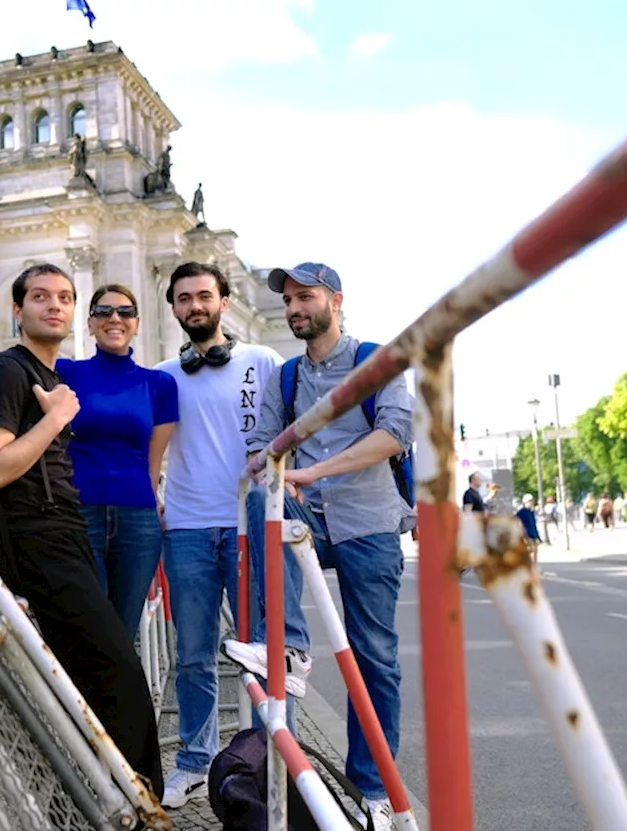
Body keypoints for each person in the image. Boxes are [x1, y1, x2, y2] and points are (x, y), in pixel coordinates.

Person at [226, 262, 414, 829]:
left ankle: (372, 790)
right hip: (307, 514)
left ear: (336, 300)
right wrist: (269, 463)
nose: (293, 308)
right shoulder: (285, 378)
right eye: (287, 300)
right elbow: (261, 445)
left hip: (368, 520)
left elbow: (394, 434)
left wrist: (312, 471)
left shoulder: (376, 361)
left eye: (304, 297)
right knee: (264, 498)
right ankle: (291, 648)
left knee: (374, 656)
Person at [0, 263, 164, 798]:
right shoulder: (8, 373)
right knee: (118, 669)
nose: (53, 305)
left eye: (64, 297)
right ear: (17, 309)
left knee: (89, 671)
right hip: (37, 538)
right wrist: (56, 419)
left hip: (64, 531)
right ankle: (135, 799)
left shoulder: (51, 377)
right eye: (39, 296)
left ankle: (84, 794)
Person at [154, 261, 281, 809]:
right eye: (184, 299)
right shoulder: (163, 375)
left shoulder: (263, 361)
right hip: (185, 528)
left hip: (248, 528)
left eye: (204, 295)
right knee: (193, 655)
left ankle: (270, 758)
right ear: (175, 309)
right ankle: (194, 761)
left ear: (224, 302)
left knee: (263, 652)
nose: (195, 306)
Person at [56, 284, 179, 640]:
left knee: (123, 632)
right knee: (88, 626)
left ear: (137, 324)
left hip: (138, 521)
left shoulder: (159, 384)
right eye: (104, 312)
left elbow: (153, 464)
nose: (115, 319)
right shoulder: (66, 373)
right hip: (80, 513)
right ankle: (79, 698)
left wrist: (152, 499)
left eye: (125, 312)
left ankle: (118, 698)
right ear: (90, 323)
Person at [517, 493, 543, 563]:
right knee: (530, 550)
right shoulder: (521, 512)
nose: (531, 502)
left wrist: (538, 536)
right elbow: (518, 523)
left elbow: (534, 525)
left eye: (532, 501)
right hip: (526, 534)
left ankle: (534, 566)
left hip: (533, 534)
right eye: (529, 501)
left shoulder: (531, 512)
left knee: (535, 551)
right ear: (524, 502)